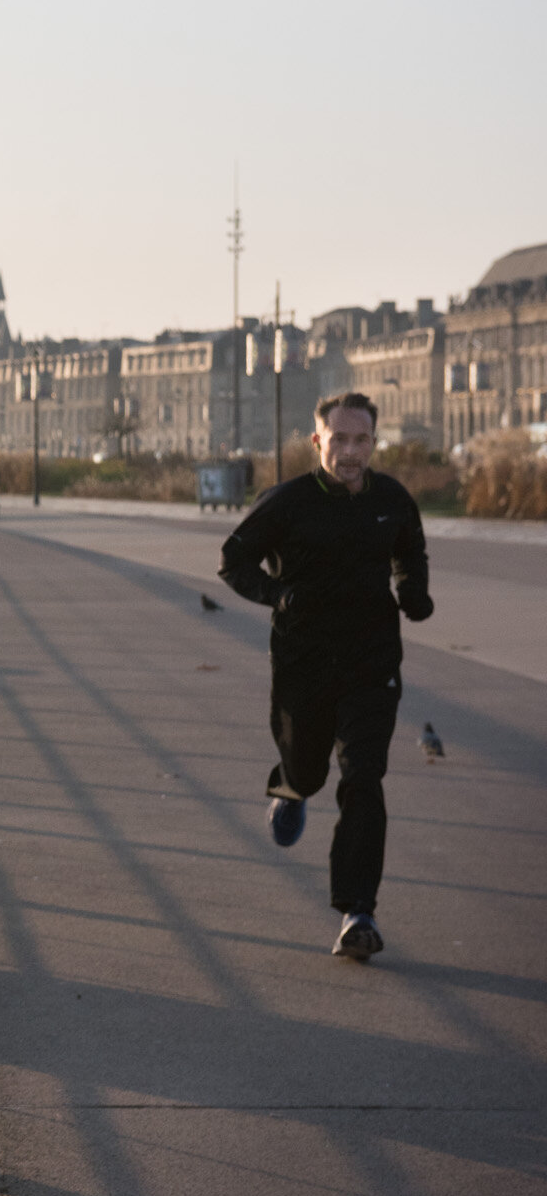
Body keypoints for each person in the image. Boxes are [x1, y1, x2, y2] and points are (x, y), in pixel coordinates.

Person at [218, 392, 433, 960]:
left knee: (363, 779)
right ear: (318, 442)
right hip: (303, 664)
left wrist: (412, 591)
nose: (351, 452)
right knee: (308, 767)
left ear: (374, 443)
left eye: (362, 440)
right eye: (339, 439)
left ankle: (356, 913)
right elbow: (232, 560)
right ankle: (291, 784)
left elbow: (410, 548)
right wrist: (276, 595)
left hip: (371, 663)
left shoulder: (391, 499)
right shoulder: (286, 502)